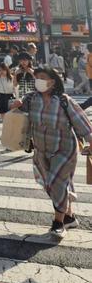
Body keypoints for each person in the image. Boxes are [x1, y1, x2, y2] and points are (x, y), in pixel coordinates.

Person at [10, 67, 92, 238]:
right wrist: (15, 105)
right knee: (53, 185)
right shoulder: (31, 99)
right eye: (36, 77)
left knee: (57, 184)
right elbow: (15, 112)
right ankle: (69, 217)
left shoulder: (64, 101)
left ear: (52, 82)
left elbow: (81, 123)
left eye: (42, 77)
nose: (38, 80)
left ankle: (58, 223)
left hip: (65, 150)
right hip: (41, 150)